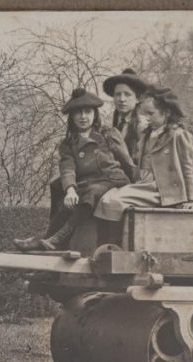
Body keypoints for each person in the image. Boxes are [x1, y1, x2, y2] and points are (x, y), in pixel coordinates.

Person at [14, 88, 132, 251]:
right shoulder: (69, 144)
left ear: (95, 114)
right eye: (78, 113)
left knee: (91, 191)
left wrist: (138, 184)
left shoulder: (108, 134)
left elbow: (126, 160)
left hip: (113, 179)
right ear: (72, 117)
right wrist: (70, 190)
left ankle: (58, 239)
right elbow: (67, 168)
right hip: (88, 183)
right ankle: (46, 239)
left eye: (87, 112)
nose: (83, 117)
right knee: (65, 196)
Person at [95, 87, 193, 228]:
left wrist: (190, 199)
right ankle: (116, 239)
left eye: (151, 113)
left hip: (161, 189)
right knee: (106, 198)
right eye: (144, 114)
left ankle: (117, 237)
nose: (146, 118)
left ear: (166, 113)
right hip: (143, 183)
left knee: (114, 201)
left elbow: (187, 167)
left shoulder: (178, 135)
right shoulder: (146, 135)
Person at [102, 68, 149, 173]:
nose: (122, 99)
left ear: (137, 99)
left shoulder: (143, 126)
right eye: (118, 94)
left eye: (127, 94)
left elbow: (144, 167)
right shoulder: (118, 127)